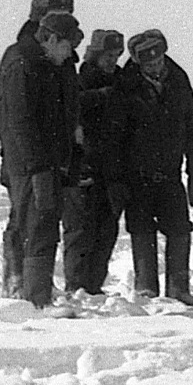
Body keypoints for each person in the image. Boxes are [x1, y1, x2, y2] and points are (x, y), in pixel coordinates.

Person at [0, 9, 84, 308]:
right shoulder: (23, 64)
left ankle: (35, 292)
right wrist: (38, 167)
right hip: (30, 166)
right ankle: (35, 298)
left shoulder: (47, 65)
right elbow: (21, 122)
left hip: (46, 163)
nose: (69, 54)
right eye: (67, 46)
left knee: (42, 225)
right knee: (37, 226)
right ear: (51, 38)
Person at [111, 29, 193, 310]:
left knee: (179, 230)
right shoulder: (126, 84)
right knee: (142, 231)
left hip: (170, 173)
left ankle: (179, 289)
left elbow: (192, 128)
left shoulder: (179, 80)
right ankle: (146, 290)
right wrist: (117, 177)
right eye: (148, 64)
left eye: (158, 60)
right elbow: (115, 134)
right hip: (136, 175)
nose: (155, 66)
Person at [60, 30, 129, 294]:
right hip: (84, 167)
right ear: (96, 55)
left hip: (112, 171)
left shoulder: (122, 84)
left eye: (116, 56)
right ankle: (76, 286)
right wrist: (99, 97)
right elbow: (70, 111)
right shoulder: (79, 82)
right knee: (80, 232)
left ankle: (93, 286)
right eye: (108, 56)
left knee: (106, 232)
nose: (112, 61)